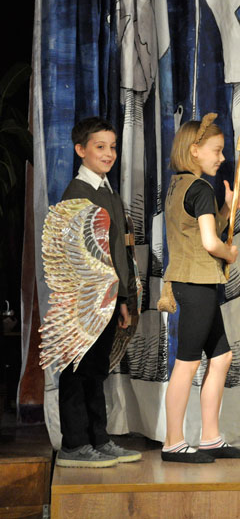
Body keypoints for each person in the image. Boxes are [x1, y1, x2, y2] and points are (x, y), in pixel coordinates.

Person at [160, 113, 240, 463]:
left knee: (221, 357)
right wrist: (229, 253)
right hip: (197, 284)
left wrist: (228, 208)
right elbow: (209, 242)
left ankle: (211, 438)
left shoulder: (180, 185)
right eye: (216, 151)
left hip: (190, 282)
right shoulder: (201, 188)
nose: (222, 158)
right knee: (187, 364)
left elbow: (196, 230)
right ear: (195, 150)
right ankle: (173, 442)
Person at [56, 117, 142, 468]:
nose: (109, 154)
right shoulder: (78, 194)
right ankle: (74, 445)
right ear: (81, 150)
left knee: (95, 371)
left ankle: (98, 439)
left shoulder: (108, 192)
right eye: (100, 147)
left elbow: (116, 252)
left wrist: (120, 299)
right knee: (77, 370)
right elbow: (74, 254)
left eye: (112, 147)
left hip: (107, 299)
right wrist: (91, 300)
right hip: (84, 302)